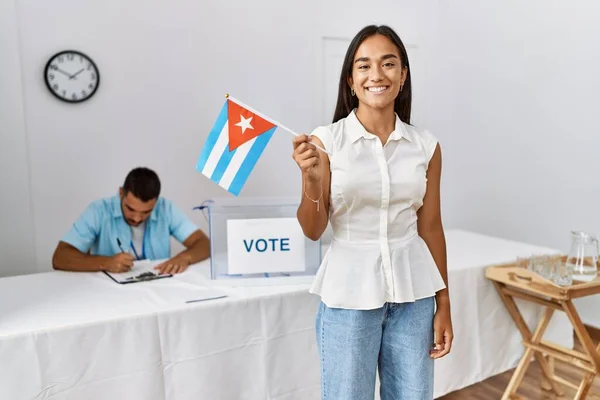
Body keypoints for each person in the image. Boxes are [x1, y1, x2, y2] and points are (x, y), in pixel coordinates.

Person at [292, 25, 453, 399]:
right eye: (363, 66)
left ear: (403, 75)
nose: (376, 75)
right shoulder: (326, 142)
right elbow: (313, 229)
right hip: (349, 297)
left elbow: (431, 228)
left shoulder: (426, 146)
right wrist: (312, 181)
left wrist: (443, 303)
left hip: (414, 300)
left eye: (388, 64)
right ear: (350, 79)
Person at [52, 167, 210, 275]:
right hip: (110, 293)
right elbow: (60, 257)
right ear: (121, 193)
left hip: (157, 290)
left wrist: (184, 257)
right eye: (130, 209)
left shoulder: (165, 208)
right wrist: (105, 262)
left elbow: (203, 243)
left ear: (156, 201)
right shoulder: (98, 210)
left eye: (146, 212)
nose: (137, 218)